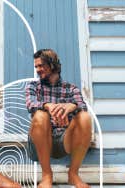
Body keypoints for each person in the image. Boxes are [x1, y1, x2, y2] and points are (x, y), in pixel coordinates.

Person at [25, 49, 92, 188]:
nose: (37, 70)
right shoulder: (33, 86)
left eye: (41, 65)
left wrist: (71, 106)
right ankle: (46, 175)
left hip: (63, 141)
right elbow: (30, 105)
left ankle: (73, 174)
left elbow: (83, 106)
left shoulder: (71, 89)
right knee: (40, 115)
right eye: (36, 66)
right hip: (39, 144)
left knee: (84, 117)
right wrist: (47, 106)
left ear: (53, 65)